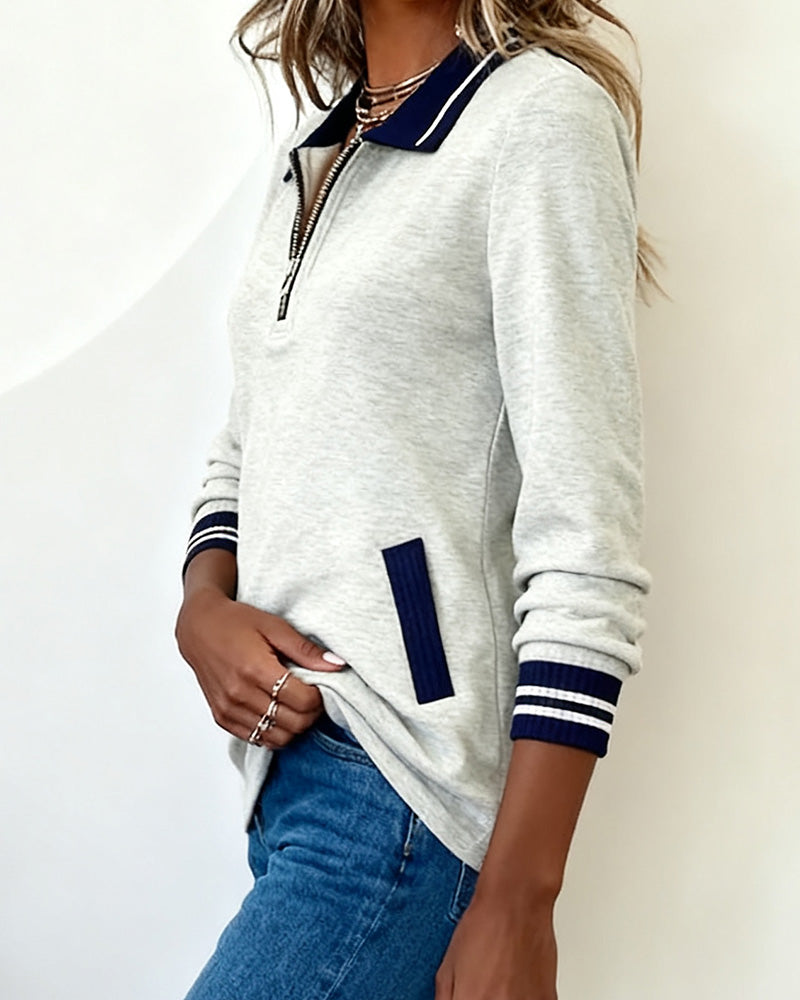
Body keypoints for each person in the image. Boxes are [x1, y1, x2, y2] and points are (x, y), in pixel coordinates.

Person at [174, 1, 664, 998]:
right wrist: (201, 606)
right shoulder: (319, 145)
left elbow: (586, 534)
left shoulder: (539, 117)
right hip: (283, 778)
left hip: (401, 794)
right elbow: (247, 440)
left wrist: (520, 900)